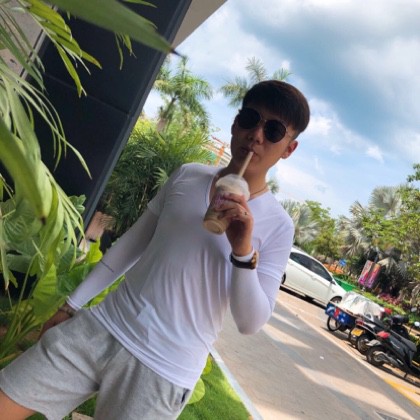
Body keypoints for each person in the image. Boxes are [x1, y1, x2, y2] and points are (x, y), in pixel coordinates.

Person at [0, 80, 310, 419]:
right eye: (251, 118)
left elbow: (250, 322)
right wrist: (72, 304)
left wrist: (242, 251)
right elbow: (129, 246)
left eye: (274, 130)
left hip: (164, 369)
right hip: (103, 325)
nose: (257, 135)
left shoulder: (278, 225)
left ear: (289, 149)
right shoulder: (188, 176)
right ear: (236, 123)